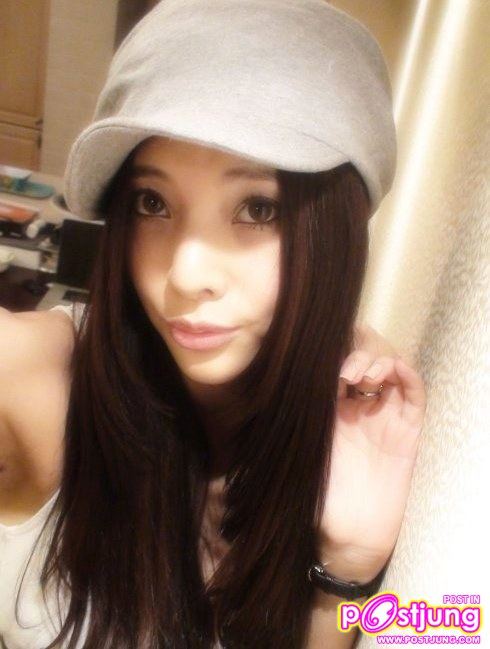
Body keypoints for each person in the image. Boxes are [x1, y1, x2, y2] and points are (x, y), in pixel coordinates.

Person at [0, 1, 427, 648]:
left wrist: (347, 565)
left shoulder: (353, 431)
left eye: (257, 209)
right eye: (152, 202)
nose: (186, 272)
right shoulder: (35, 376)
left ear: (334, 235)